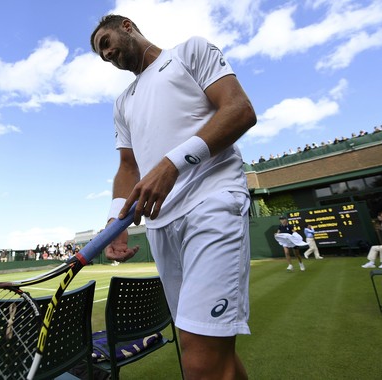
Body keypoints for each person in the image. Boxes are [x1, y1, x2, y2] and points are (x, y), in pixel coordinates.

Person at [91, 15, 256, 379]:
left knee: (199, 357)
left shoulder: (190, 52)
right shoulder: (122, 103)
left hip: (212, 204)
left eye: (106, 43)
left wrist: (172, 164)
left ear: (127, 26)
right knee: (209, 352)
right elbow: (128, 166)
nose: (107, 56)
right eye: (102, 55)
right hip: (160, 226)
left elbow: (240, 110)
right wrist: (114, 223)